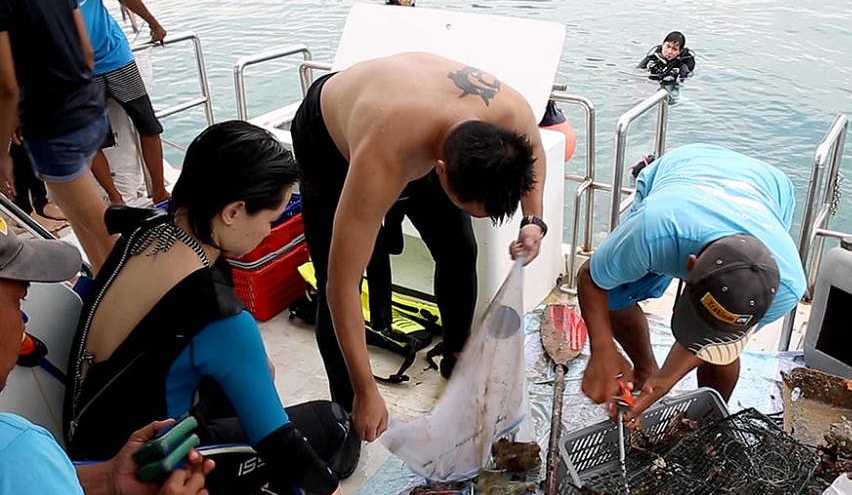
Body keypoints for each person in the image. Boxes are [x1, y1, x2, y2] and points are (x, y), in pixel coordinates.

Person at [0, 221, 295, 495]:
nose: (26, 326)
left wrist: (107, 479)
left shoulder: (138, 243)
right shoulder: (15, 454)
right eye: (17, 303)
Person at [64, 121, 359, 495]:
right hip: (148, 476)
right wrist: (325, 485)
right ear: (234, 211)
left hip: (90, 442)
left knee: (249, 378)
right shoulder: (218, 316)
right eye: (270, 218)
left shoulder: (145, 231)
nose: (269, 231)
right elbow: (277, 440)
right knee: (332, 423)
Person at [291, 52, 547, 442]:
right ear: (440, 171)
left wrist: (533, 221)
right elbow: (341, 287)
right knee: (335, 271)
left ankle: (457, 354)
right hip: (329, 134)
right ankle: (344, 411)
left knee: (460, 249)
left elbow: (536, 156)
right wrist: (367, 390)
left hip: (418, 113)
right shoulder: (385, 155)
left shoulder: (511, 112)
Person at [578, 144, 807, 425]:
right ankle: (645, 367)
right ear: (689, 267)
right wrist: (603, 349)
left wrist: (666, 382)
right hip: (685, 170)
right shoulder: (652, 232)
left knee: (723, 352)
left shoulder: (784, 289)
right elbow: (592, 277)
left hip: (767, 189)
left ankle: (708, 422)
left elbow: (717, 344)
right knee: (614, 294)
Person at [0, 0, 116, 271]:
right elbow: (86, 53)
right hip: (90, 110)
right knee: (85, 225)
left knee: (105, 234)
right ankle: (103, 289)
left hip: (54, 128)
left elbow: (8, 88)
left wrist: (2, 153)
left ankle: (144, 302)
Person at [77, 0, 171, 205]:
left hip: (117, 57)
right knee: (92, 140)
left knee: (149, 125)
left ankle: (159, 191)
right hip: (80, 70)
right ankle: (116, 199)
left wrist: (153, 23)